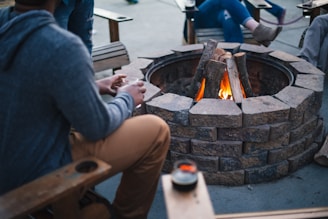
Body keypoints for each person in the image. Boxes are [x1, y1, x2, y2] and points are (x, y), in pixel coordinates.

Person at [0, 0, 171, 218]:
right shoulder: (61, 45)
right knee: (156, 130)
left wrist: (92, 86)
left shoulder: (5, 23)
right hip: (36, 173)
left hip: (9, 159)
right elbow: (96, 127)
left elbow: (24, 87)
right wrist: (126, 98)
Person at [184, 0, 281, 47]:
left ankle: (237, 59)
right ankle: (258, 30)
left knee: (229, 17)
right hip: (199, 16)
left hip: (221, 15)